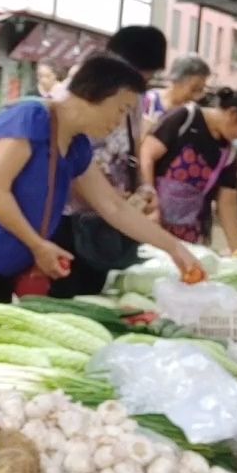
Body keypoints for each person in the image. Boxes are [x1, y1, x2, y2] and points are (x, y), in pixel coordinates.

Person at [0, 55, 200, 355]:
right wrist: (37, 245)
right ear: (97, 94)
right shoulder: (31, 116)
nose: (118, 123)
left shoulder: (76, 145)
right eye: (121, 110)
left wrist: (175, 248)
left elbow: (114, 208)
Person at [49, 25, 169, 297]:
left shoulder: (132, 95)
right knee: (67, 300)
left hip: (109, 221)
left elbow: (133, 147)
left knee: (97, 297)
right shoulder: (66, 104)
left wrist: (142, 188)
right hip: (71, 223)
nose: (138, 86)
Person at [138, 87, 237, 251]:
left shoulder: (228, 153)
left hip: (191, 234)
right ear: (233, 114)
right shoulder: (185, 118)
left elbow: (227, 203)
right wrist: (149, 196)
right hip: (152, 220)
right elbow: (147, 154)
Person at [141, 54, 211, 129]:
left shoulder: (192, 112)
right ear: (177, 81)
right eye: (194, 89)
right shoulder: (150, 100)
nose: (197, 97)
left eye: (201, 90)